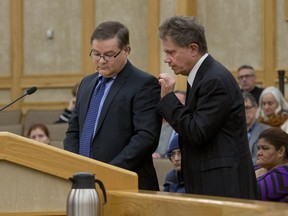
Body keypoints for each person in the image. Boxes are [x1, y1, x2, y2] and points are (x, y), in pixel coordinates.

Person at [157, 15, 257, 199]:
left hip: (223, 188)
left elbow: (196, 132)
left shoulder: (214, 80)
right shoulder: (202, 76)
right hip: (212, 184)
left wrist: (169, 100)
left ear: (193, 49)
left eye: (171, 52)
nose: (166, 60)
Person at [64, 21, 162, 190]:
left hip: (126, 181)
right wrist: (76, 165)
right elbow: (74, 129)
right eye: (96, 54)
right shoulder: (87, 83)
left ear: (126, 51)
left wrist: (109, 171)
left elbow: (146, 138)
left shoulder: (144, 84)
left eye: (109, 55)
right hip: (84, 182)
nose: (101, 61)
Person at [255, 128, 288, 202]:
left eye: (265, 148)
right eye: (258, 148)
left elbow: (250, 194)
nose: (259, 153)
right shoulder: (258, 167)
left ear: (281, 151)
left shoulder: (284, 174)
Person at [153, 90, 186, 158]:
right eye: (172, 102)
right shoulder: (161, 128)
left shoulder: (191, 127)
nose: (174, 106)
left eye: (178, 102)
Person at [243, 92, 270, 165]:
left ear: (256, 107)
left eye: (247, 108)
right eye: (241, 108)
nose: (244, 112)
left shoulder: (266, 131)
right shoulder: (233, 132)